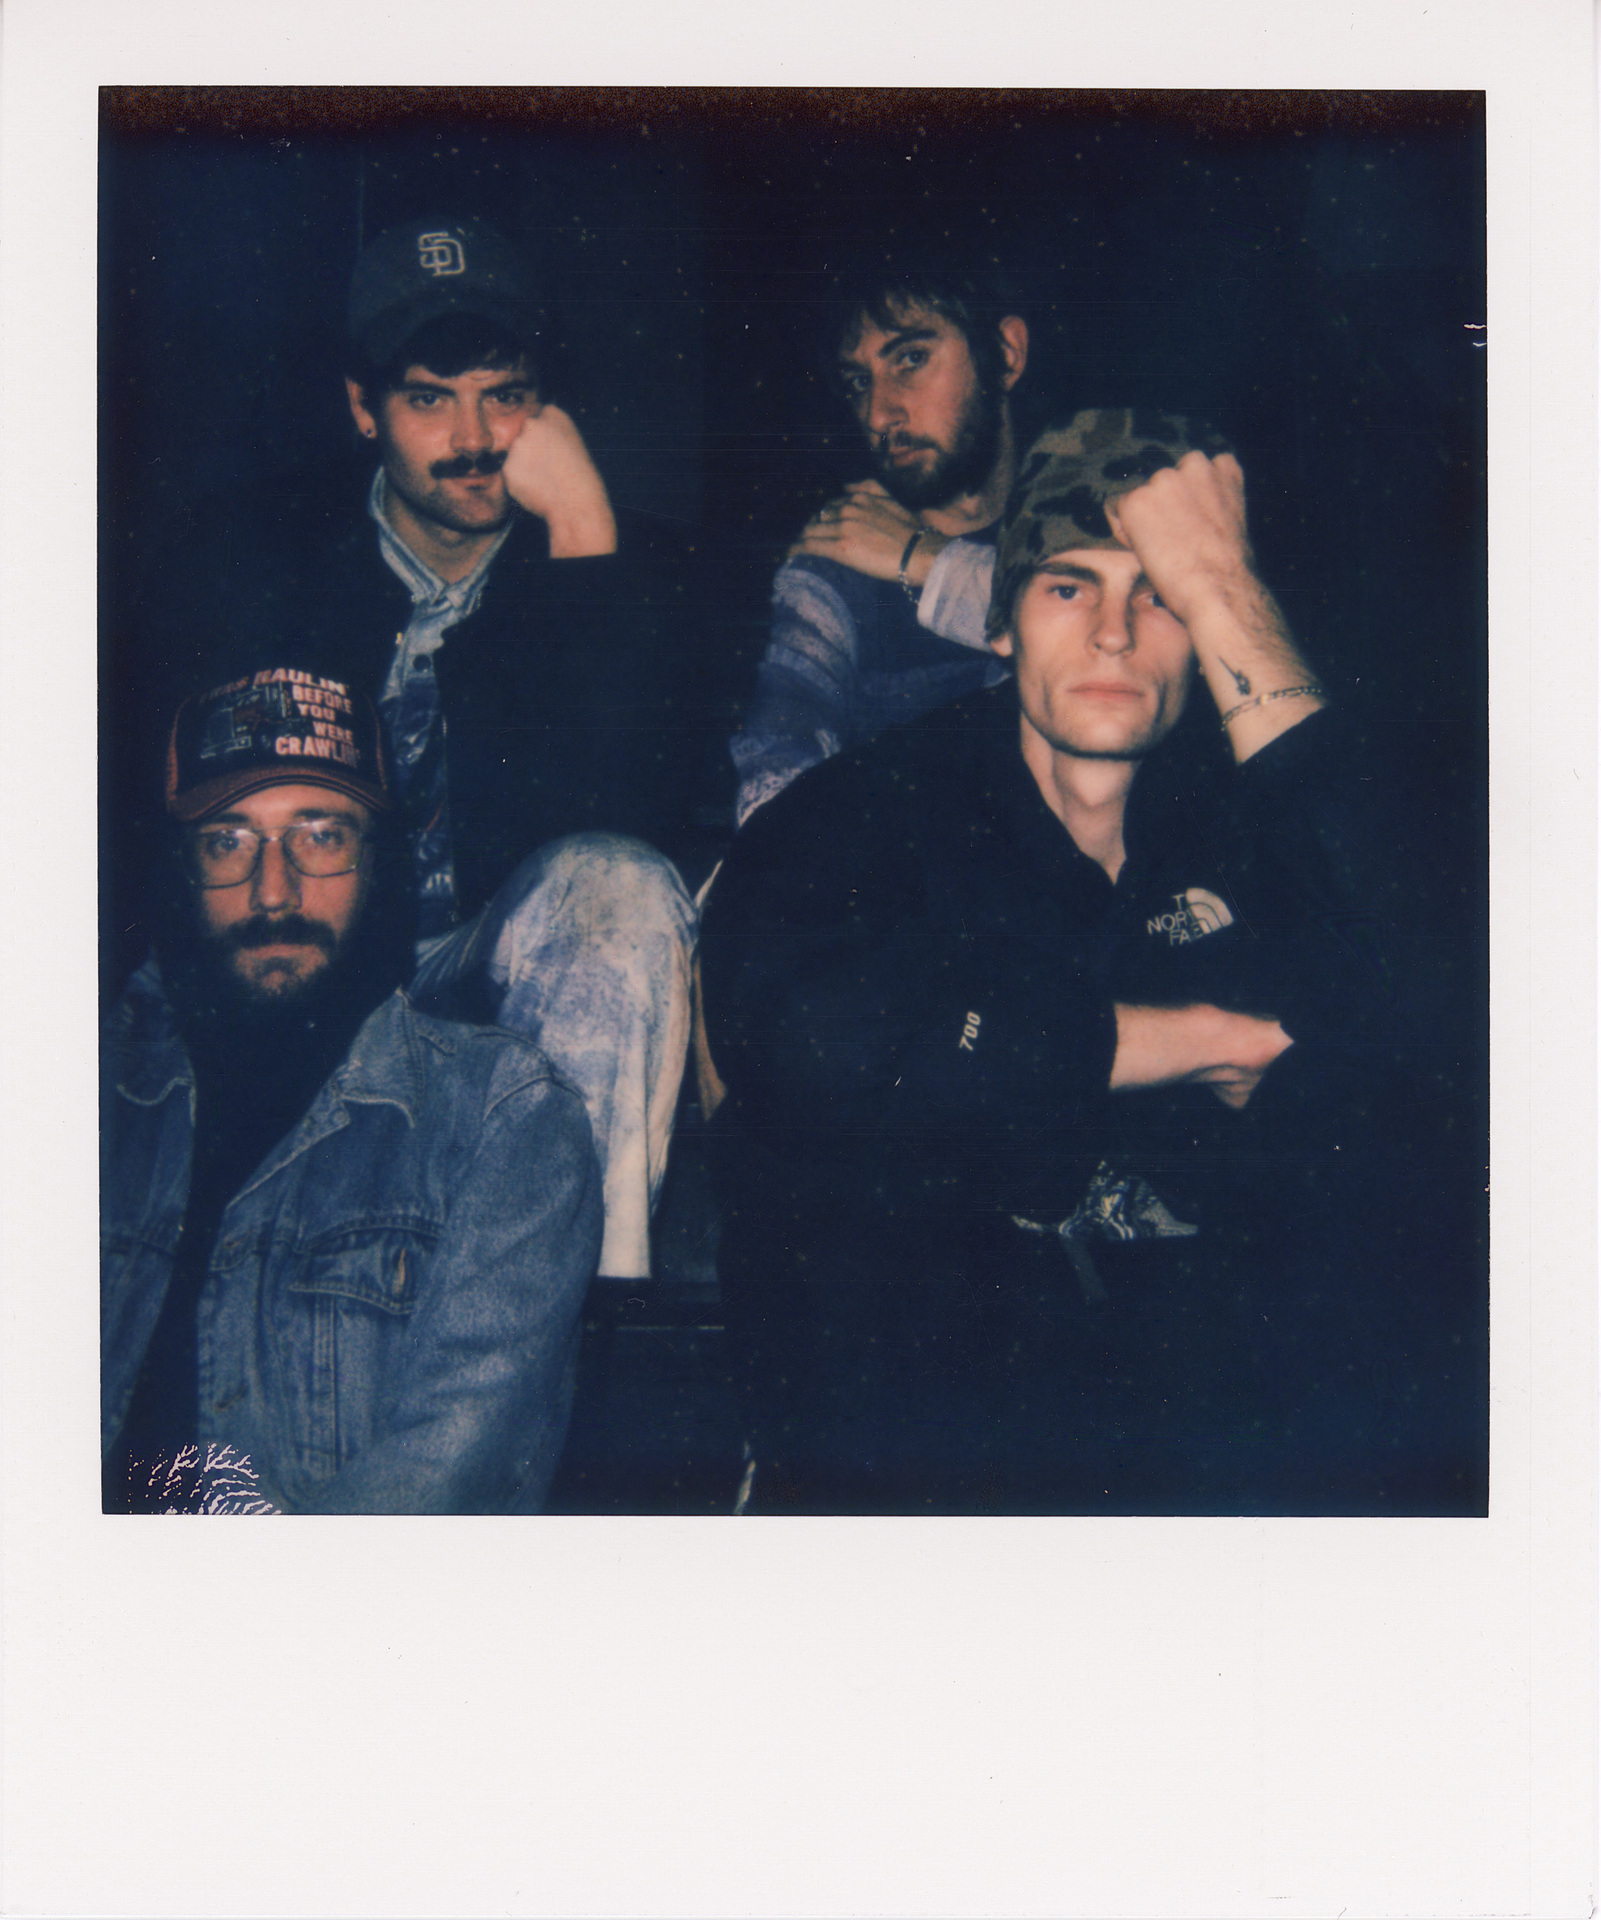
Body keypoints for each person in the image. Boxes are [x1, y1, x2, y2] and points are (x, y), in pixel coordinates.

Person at [699, 409, 1486, 1516]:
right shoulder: (869, 810)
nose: (1114, 634)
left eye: (1159, 597)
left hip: (1197, 1415)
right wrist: (1200, 1041)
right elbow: (807, 1039)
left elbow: (1449, 997)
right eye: (1067, 588)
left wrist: (1225, 591)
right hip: (923, 1414)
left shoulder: (1246, 820)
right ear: (1002, 624)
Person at [131, 216, 695, 1280]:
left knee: (614, 887)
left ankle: (568, 1307)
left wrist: (582, 543)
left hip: (488, 973)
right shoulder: (254, 553)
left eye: (504, 394)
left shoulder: (624, 566)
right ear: (363, 408)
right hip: (297, 959)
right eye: (429, 399)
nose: (474, 437)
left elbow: (624, 847)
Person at [102, 668, 602, 1514]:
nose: (272, 890)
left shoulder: (500, 1119)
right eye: (228, 842)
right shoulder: (95, 1102)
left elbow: (435, 1490)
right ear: (181, 871)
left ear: (382, 863)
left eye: (321, 835)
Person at [727, 250, 1031, 825]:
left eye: (911, 358)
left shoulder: (1088, 518)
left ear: (1007, 354)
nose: (877, 414)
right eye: (858, 382)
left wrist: (928, 560)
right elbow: (779, 756)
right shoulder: (837, 561)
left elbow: (1101, 645)